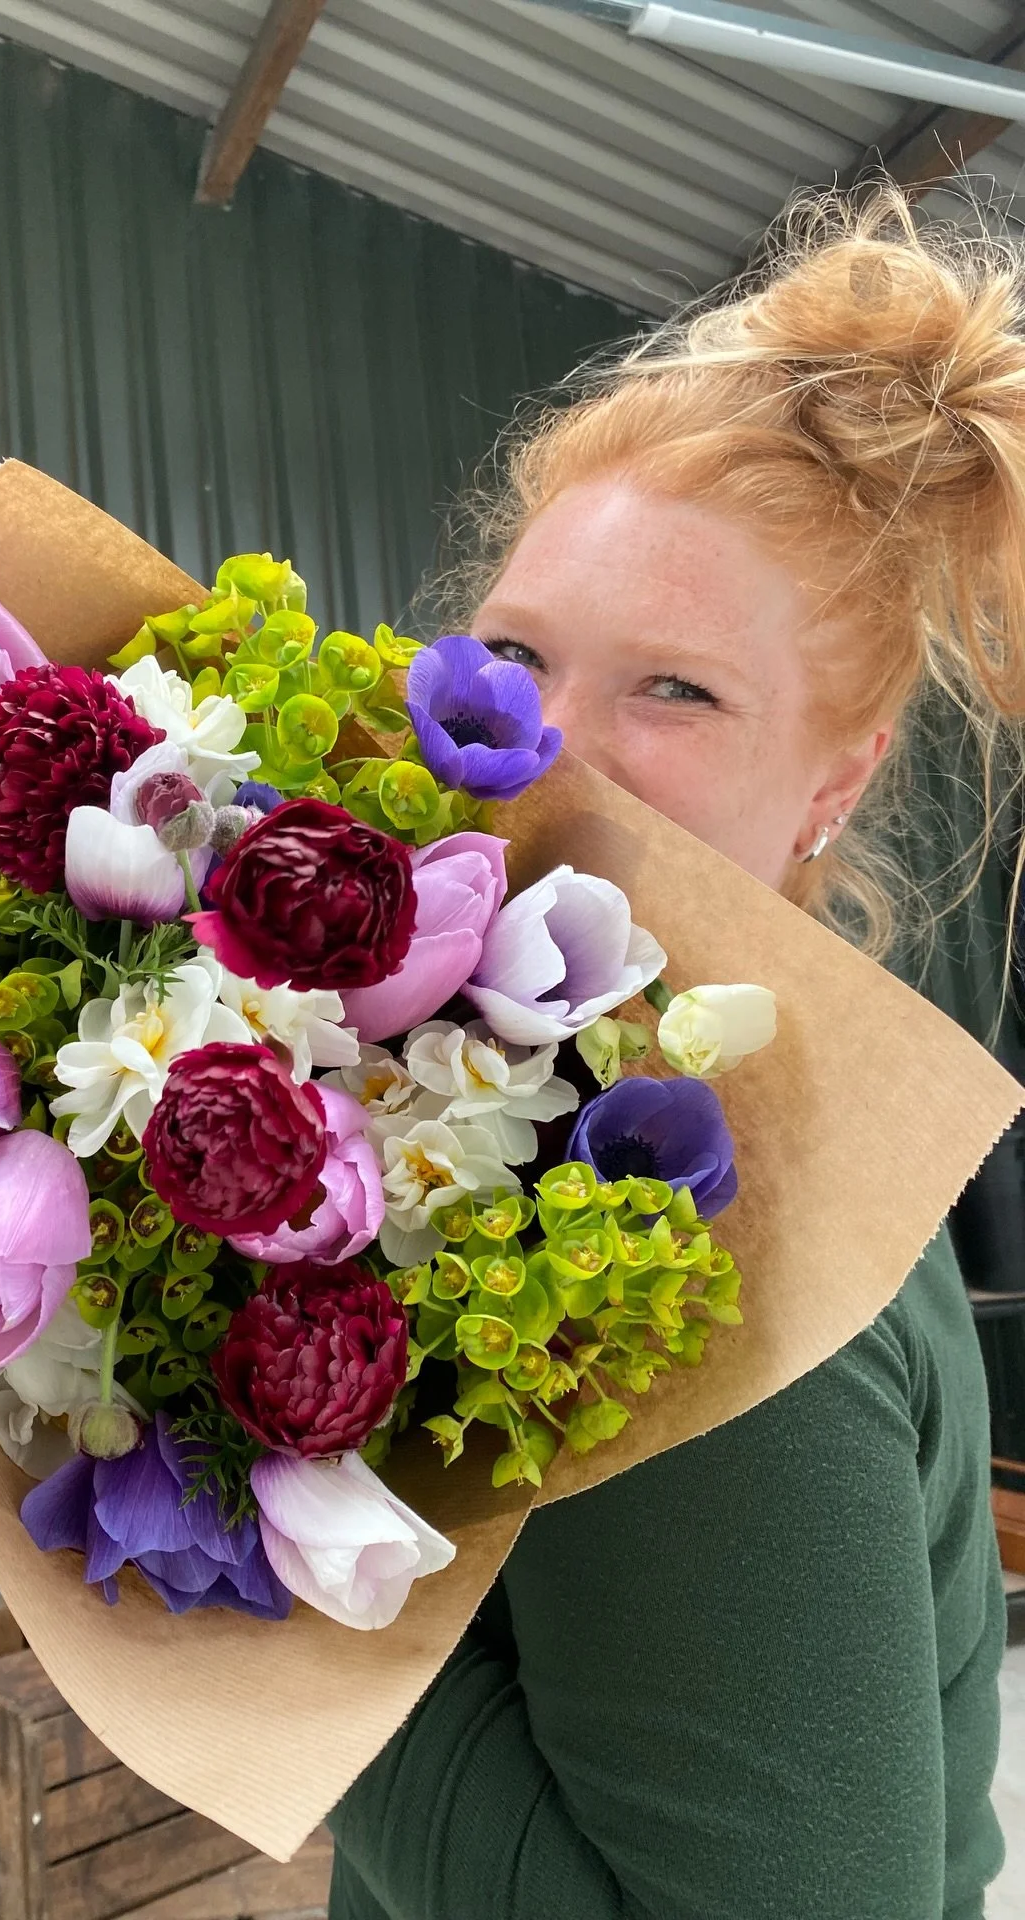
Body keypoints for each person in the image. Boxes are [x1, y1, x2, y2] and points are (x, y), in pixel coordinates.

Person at [327, 188, 1019, 1920]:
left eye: (678, 692)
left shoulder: (702, 1239)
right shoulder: (539, 1120)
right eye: (513, 658)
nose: (542, 752)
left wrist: (225, 1537)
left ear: (835, 785)